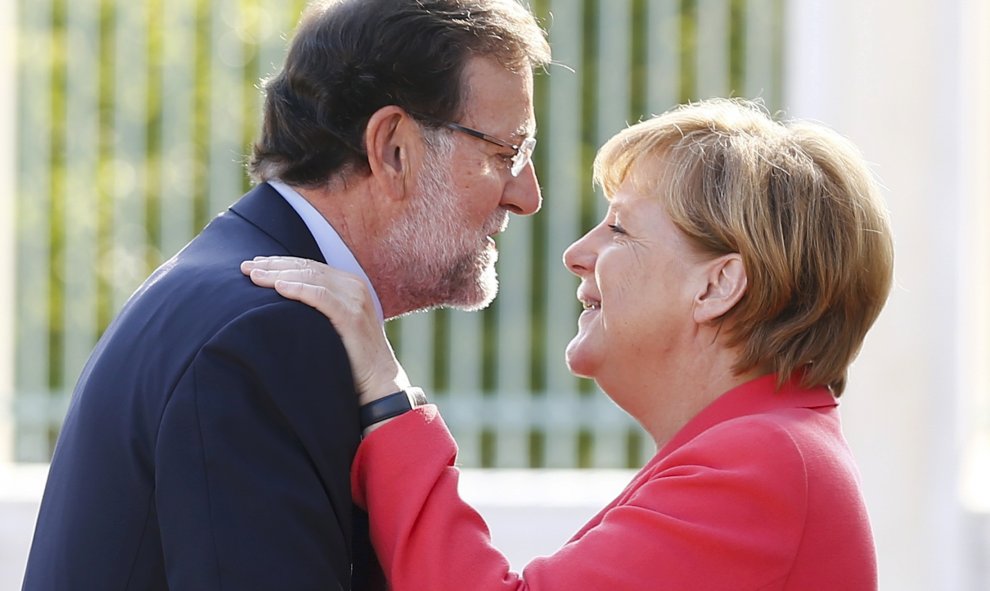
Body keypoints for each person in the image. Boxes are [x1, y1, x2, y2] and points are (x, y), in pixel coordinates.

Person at [242, 98, 894, 590]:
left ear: (719, 283)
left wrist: (386, 396)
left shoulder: (762, 463)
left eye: (620, 228)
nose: (578, 253)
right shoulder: (770, 448)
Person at [22, 1, 550, 589]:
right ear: (393, 147)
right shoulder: (267, 329)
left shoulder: (232, 295)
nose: (526, 195)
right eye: (508, 154)